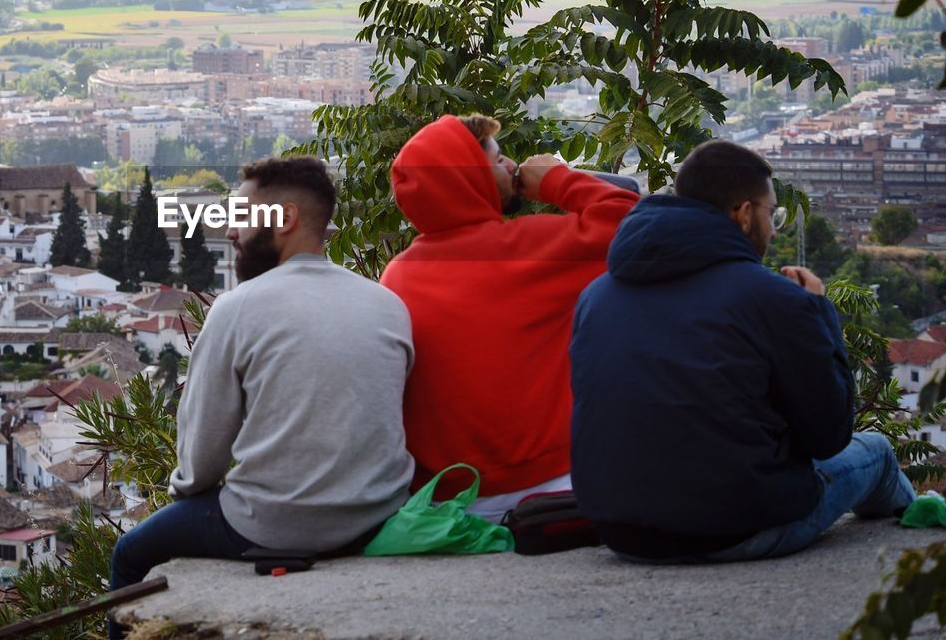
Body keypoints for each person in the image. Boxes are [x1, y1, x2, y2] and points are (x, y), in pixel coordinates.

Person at [108, 156, 414, 635]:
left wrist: (189, 498)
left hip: (270, 526)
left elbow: (200, 464)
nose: (231, 231)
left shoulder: (236, 307)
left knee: (129, 555)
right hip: (378, 515)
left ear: (285, 219)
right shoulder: (387, 304)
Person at [570, 139, 914, 563]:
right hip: (736, 528)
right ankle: (918, 554)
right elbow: (829, 436)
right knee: (876, 452)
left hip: (619, 530)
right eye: (773, 215)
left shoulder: (596, 294)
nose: (773, 229)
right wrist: (817, 312)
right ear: (745, 213)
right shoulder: (774, 301)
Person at [380, 114, 639, 521]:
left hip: (446, 499)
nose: (511, 166)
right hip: (551, 484)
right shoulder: (527, 246)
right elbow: (635, 224)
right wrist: (556, 179)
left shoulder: (397, 274)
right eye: (498, 159)